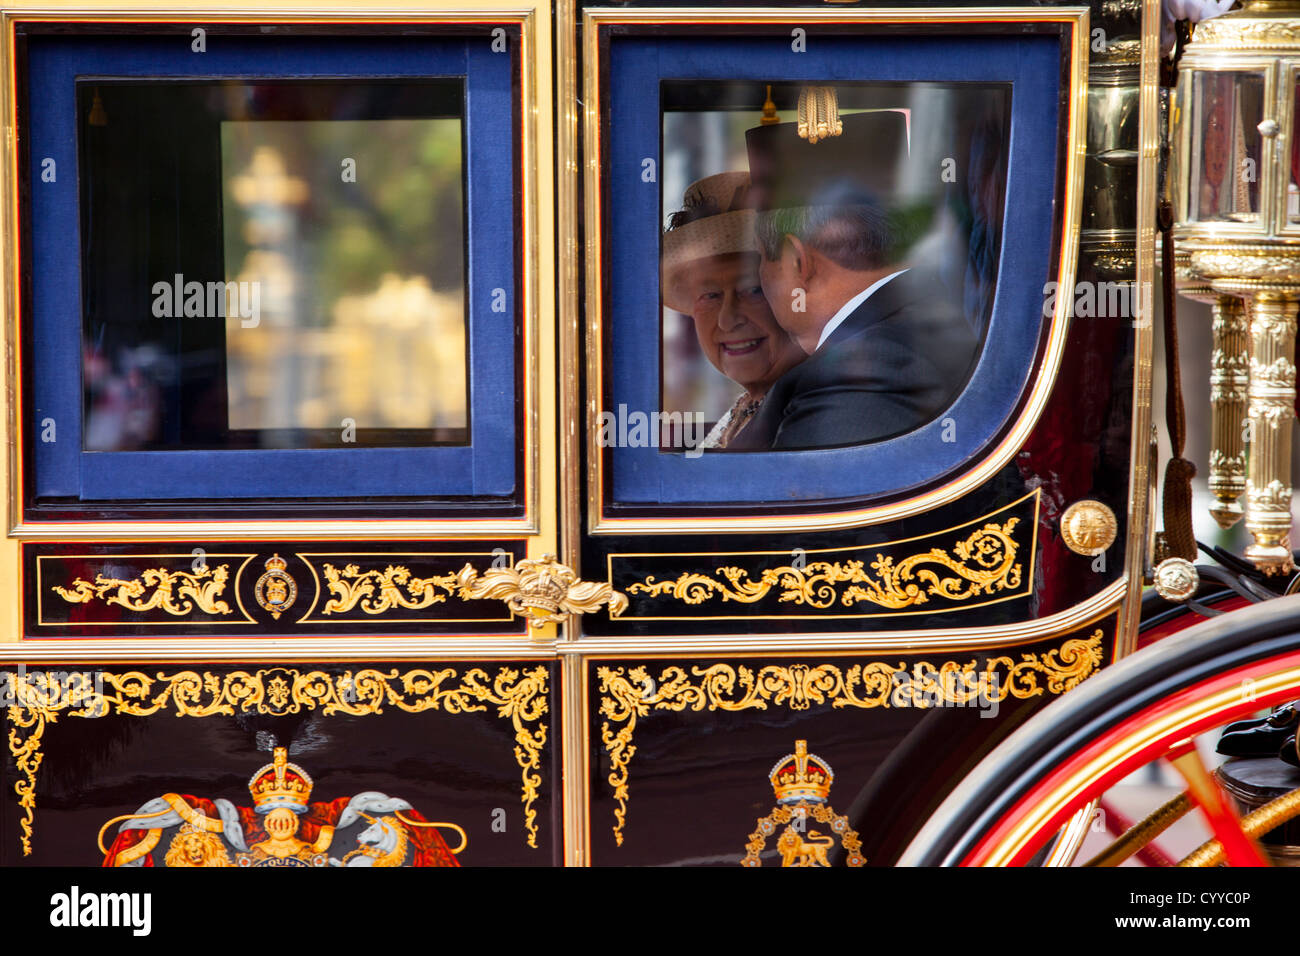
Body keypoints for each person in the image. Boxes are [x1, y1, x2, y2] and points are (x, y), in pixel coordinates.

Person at [730, 111, 981, 450]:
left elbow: (799, 498)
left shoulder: (866, 368)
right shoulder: (914, 319)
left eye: (761, 258)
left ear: (798, 261)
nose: (759, 279)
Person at [662, 172, 806, 449]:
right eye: (711, 295)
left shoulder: (814, 408)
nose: (727, 320)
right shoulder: (749, 408)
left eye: (753, 290)